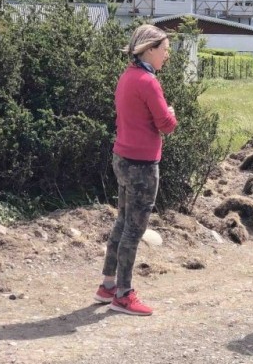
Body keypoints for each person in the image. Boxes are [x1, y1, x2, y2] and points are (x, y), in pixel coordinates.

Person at [93, 24, 177, 316]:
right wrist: (172, 115)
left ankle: (107, 285)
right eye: (164, 50)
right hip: (142, 164)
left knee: (122, 221)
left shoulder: (127, 77)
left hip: (122, 158)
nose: (166, 56)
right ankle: (123, 294)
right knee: (135, 228)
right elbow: (166, 125)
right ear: (150, 49)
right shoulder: (148, 81)